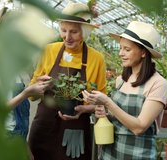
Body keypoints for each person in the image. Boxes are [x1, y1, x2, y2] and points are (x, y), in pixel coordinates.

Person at [27, 2, 107, 160]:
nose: (67, 37)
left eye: (74, 32)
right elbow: (31, 96)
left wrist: (83, 110)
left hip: (75, 129)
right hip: (44, 128)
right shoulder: (49, 51)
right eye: (64, 30)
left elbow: (101, 102)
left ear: (84, 33)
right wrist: (38, 87)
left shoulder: (96, 59)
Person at [82, 21, 167, 160]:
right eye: (120, 48)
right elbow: (118, 115)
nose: (121, 53)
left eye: (127, 49)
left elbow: (139, 127)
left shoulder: (158, 84)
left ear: (143, 52)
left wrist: (108, 103)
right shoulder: (121, 80)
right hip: (110, 153)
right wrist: (104, 111)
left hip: (138, 155)